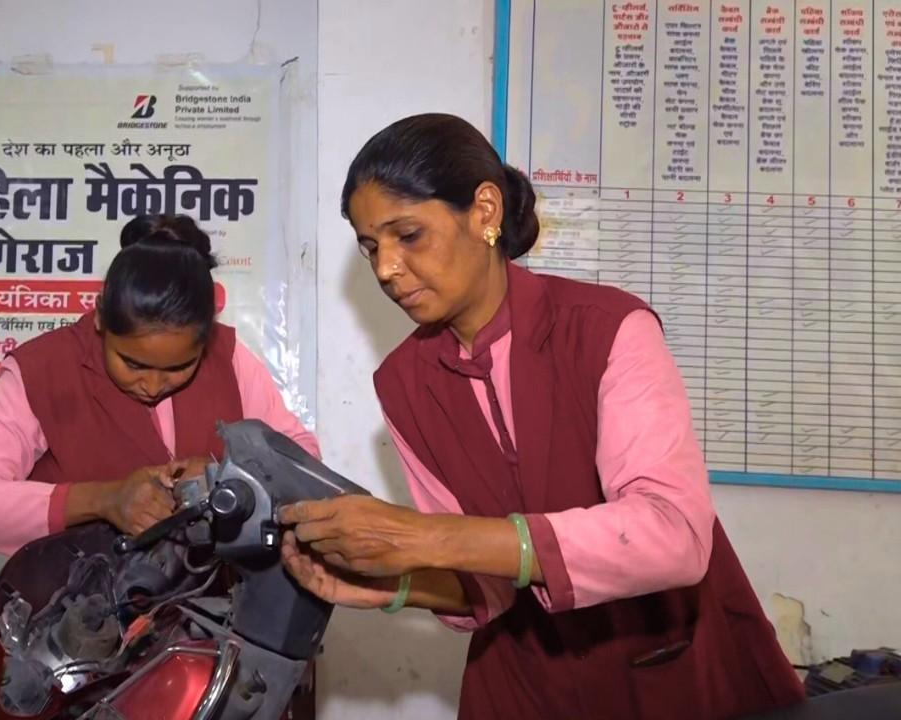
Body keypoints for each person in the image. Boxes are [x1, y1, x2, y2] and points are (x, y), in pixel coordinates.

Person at [278, 114, 804, 719]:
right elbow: (485, 581)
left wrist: (426, 537)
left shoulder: (609, 329)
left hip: (670, 673)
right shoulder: (402, 382)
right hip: (525, 689)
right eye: (371, 247)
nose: (386, 270)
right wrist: (391, 583)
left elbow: (674, 537)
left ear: (483, 212)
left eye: (408, 236)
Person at [0, 214, 318, 556]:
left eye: (179, 367)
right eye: (133, 363)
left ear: (205, 339)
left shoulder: (230, 357)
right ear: (101, 317)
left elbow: (305, 464)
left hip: (214, 612)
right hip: (78, 615)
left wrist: (226, 473)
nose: (152, 385)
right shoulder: (41, 369)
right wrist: (102, 499)